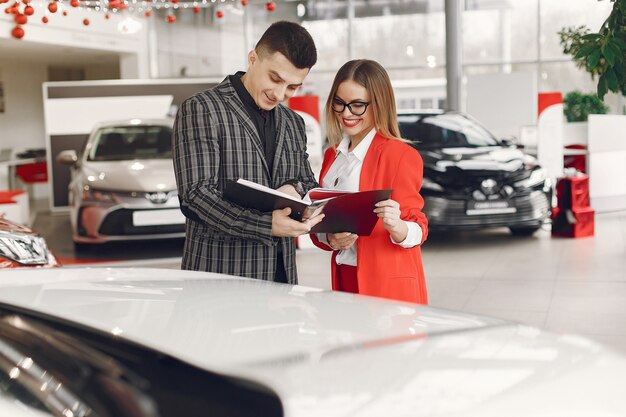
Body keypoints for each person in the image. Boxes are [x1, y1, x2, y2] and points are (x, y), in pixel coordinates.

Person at [173, 21, 323, 284]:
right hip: (218, 278)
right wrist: (266, 225)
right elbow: (196, 196)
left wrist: (295, 189)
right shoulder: (202, 109)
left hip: (282, 279)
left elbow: (307, 182)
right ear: (253, 58)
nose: (279, 94)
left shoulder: (293, 122)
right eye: (275, 79)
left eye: (292, 87)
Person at [311, 59, 429, 304]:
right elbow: (320, 220)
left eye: (357, 105)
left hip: (387, 285)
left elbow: (419, 226)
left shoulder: (400, 156)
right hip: (345, 277)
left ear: (379, 105)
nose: (346, 113)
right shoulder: (332, 156)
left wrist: (398, 227)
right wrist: (329, 239)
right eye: (339, 103)